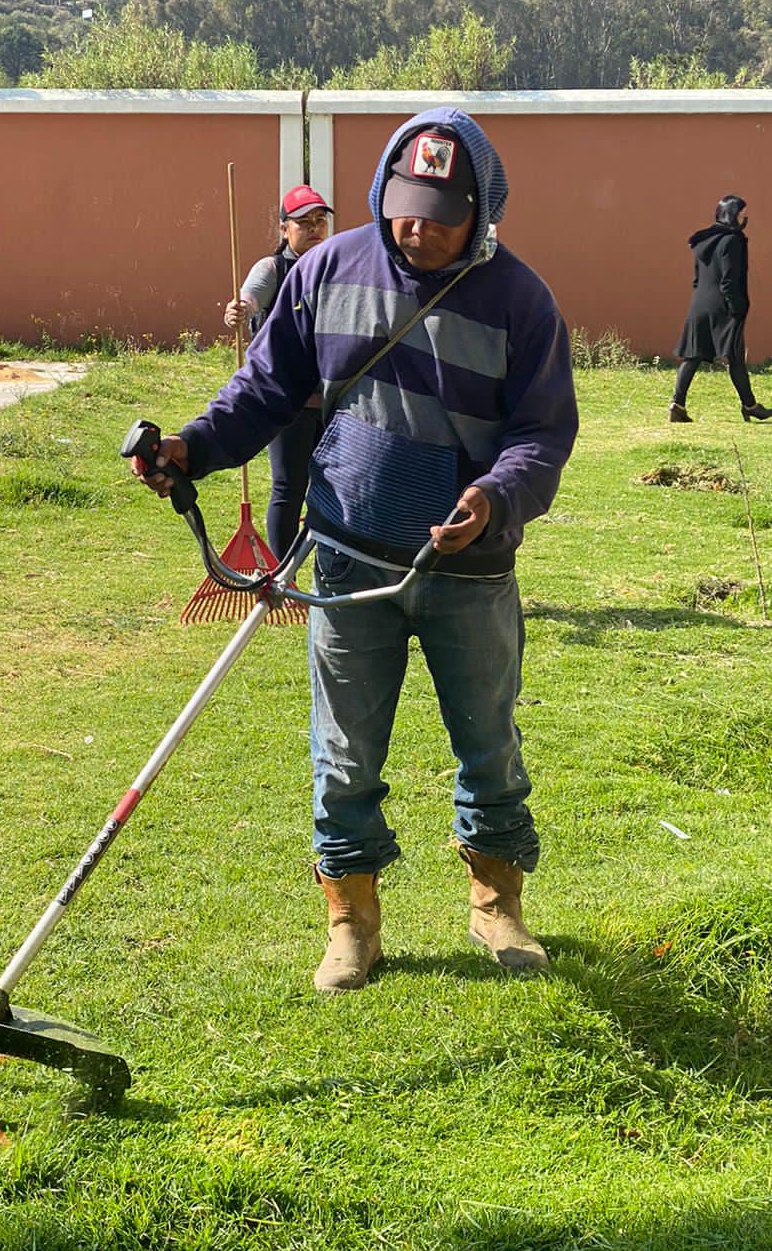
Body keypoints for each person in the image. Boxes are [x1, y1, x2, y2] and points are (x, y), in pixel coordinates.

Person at [136, 108, 579, 994]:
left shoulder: (522, 301)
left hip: (471, 572)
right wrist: (192, 445)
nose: (417, 225)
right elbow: (265, 388)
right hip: (343, 561)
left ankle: (496, 904)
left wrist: (493, 501)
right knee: (343, 756)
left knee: (488, 742)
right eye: (404, 203)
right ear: (383, 190)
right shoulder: (326, 270)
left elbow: (543, 434)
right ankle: (352, 922)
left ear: (482, 209)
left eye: (441, 212)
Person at [223, 184, 334, 561]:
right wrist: (240, 308)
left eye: (321, 221)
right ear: (285, 229)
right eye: (305, 223)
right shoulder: (273, 268)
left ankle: (328, 565)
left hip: (337, 397)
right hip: (289, 399)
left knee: (333, 485)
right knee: (290, 487)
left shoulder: (338, 263)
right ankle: (281, 573)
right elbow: (250, 295)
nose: (316, 228)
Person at [669, 195, 772, 424]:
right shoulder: (734, 241)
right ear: (731, 215)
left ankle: (677, 404)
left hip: (699, 304)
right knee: (735, 356)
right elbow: (729, 280)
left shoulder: (702, 242)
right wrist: (738, 308)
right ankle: (750, 406)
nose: (744, 218)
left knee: (693, 355)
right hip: (723, 306)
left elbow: (697, 279)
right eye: (741, 213)